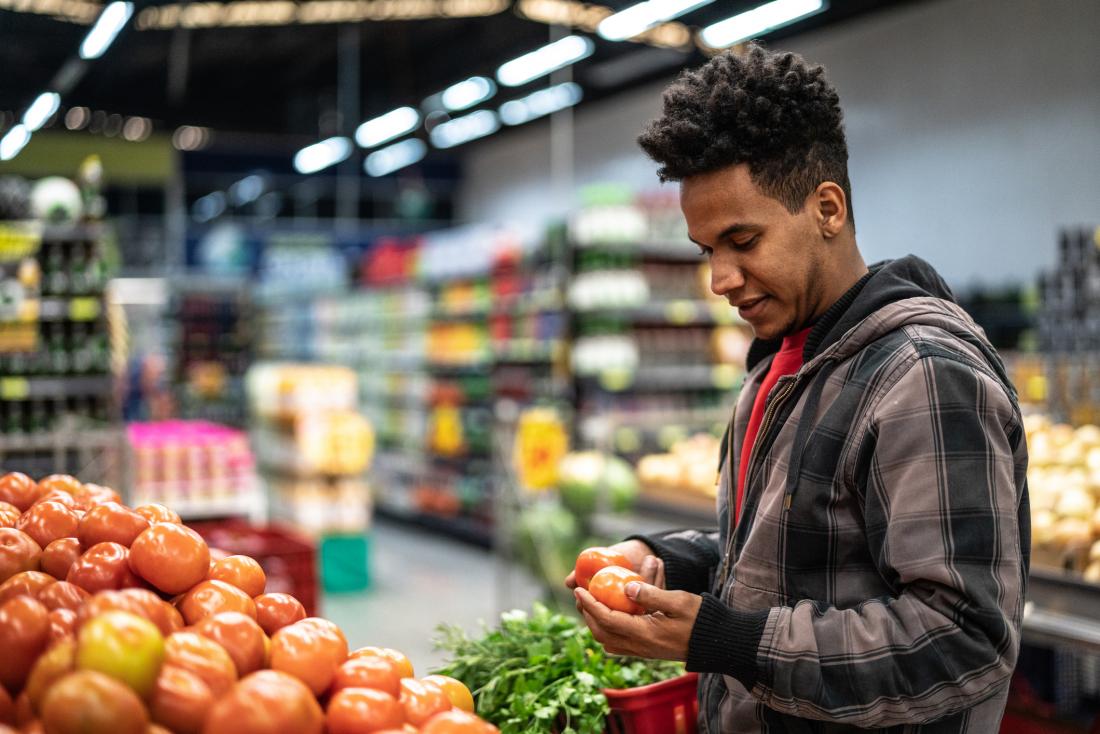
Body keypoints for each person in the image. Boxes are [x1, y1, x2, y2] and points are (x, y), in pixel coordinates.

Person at [567, 43, 1029, 733]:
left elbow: (962, 640)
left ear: (828, 209)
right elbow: (795, 558)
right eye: (706, 252)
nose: (720, 279)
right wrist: (673, 561)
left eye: (743, 240)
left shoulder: (924, 375)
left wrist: (723, 639)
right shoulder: (783, 365)